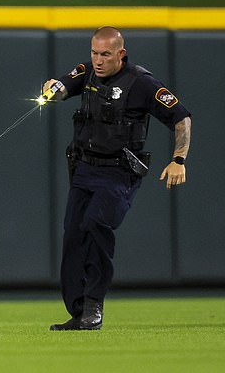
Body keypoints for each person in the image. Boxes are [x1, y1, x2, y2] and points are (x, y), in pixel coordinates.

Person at [42, 27, 192, 331]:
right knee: (73, 234)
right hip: (84, 169)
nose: (98, 60)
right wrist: (52, 90)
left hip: (118, 171)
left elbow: (181, 116)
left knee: (96, 223)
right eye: (94, 53)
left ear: (120, 54)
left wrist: (179, 159)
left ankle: (94, 305)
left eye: (106, 54)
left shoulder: (142, 83)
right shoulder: (87, 74)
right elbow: (61, 87)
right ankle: (79, 310)